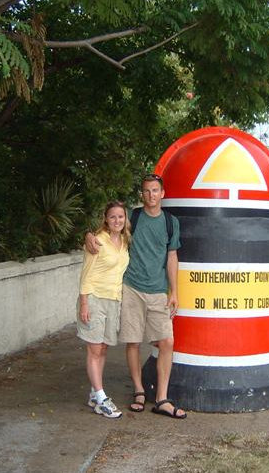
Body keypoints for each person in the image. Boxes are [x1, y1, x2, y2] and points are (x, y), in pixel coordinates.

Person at [86, 173, 186, 419]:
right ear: (142, 194)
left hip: (158, 291)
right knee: (133, 342)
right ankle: (139, 391)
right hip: (131, 288)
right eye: (146, 191)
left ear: (162, 194)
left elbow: (172, 257)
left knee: (167, 342)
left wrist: (174, 291)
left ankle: (162, 398)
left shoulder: (171, 222)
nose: (151, 195)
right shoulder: (135, 217)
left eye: (155, 191)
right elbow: (112, 226)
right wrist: (89, 235)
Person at [77, 201, 130, 419]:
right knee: (94, 349)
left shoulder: (125, 241)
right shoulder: (97, 241)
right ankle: (101, 398)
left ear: (125, 219)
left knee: (104, 348)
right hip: (94, 299)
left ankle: (93, 392)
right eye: (113, 217)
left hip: (113, 300)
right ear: (106, 219)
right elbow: (86, 274)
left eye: (121, 216)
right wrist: (84, 304)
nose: (117, 220)